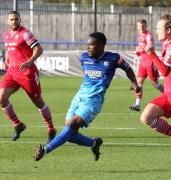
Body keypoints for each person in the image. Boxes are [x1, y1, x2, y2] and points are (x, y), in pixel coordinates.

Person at [34, 32, 141, 161]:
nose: (88, 47)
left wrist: (134, 82)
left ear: (101, 45)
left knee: (72, 125)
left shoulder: (114, 58)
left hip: (94, 100)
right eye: (87, 45)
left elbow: (128, 69)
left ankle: (46, 150)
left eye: (91, 45)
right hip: (79, 96)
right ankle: (94, 143)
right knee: (71, 135)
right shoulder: (84, 57)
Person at [0, 10, 57, 142]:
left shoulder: (25, 34)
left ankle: (51, 129)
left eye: (16, 19)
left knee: (38, 102)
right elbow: (10, 50)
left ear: (20, 20)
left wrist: (29, 62)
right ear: (7, 21)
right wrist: (7, 61)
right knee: (2, 98)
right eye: (11, 20)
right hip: (12, 73)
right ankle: (18, 125)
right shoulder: (6, 35)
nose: (14, 21)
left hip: (27, 73)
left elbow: (39, 49)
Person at [140, 14, 171, 157]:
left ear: (168, 30)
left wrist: (151, 54)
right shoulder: (168, 44)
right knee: (146, 117)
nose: (156, 31)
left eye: (158, 28)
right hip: (170, 94)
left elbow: (164, 70)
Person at [129, 19, 164, 111]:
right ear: (137, 27)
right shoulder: (140, 36)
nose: (141, 28)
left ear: (146, 26)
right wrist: (139, 52)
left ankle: (170, 96)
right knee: (139, 82)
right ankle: (137, 105)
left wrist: (141, 49)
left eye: (143, 26)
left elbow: (150, 47)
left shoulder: (148, 35)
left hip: (150, 62)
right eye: (140, 26)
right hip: (143, 62)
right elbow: (142, 49)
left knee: (155, 84)